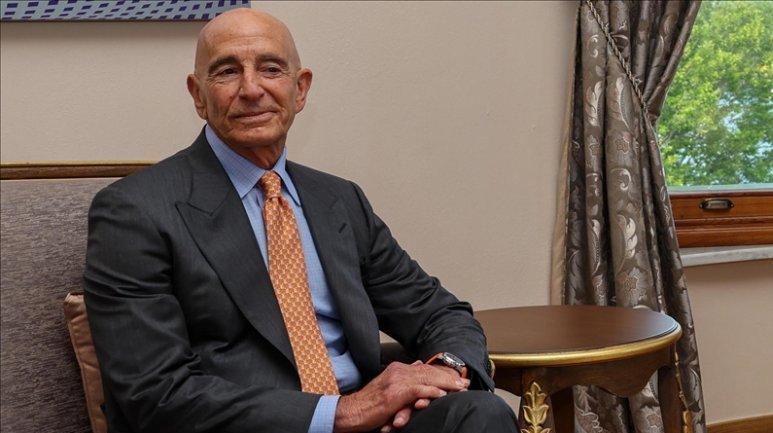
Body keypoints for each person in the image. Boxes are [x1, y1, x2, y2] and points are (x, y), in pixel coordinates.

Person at [83, 8, 518, 433]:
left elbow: (438, 312)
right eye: (228, 71)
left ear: (300, 89)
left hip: (372, 422)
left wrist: (444, 370)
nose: (251, 88)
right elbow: (154, 393)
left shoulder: (338, 200)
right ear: (198, 95)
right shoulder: (135, 212)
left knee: (480, 414)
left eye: (271, 69)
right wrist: (343, 413)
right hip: (254, 426)